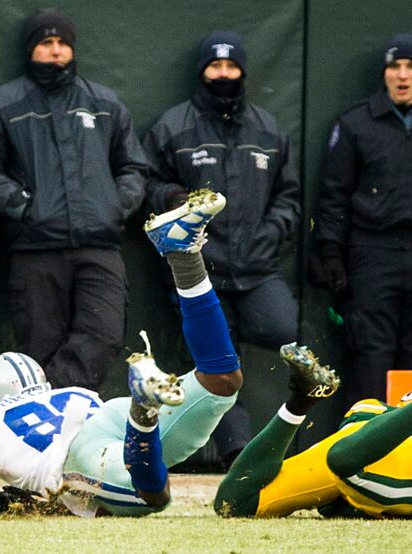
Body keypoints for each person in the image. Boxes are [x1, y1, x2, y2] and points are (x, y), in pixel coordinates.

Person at [0, 190, 242, 516]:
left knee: (152, 495)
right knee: (221, 379)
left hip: (84, 455)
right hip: (108, 419)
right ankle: (184, 255)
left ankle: (143, 412)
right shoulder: (65, 394)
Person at [144, 31, 300, 468]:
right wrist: (174, 199)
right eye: (215, 67)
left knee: (281, 326)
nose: (224, 74)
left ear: (243, 72)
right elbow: (147, 182)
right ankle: (237, 452)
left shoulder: (268, 129)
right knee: (220, 357)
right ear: (202, 72)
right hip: (199, 266)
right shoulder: (173, 126)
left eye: (232, 67)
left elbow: (289, 196)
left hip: (257, 265)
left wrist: (273, 231)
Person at [0, 8, 148, 391]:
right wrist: (25, 209)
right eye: (46, 43)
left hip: (99, 246)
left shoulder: (105, 103)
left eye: (62, 43)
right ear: (31, 50)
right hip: (36, 250)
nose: (55, 52)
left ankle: (54, 399)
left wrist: (114, 205)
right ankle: (50, 432)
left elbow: (133, 166)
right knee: (39, 348)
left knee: (103, 334)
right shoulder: (4, 104)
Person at [310, 33, 412, 402]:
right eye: (394, 67)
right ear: (384, 75)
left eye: (411, 67)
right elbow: (334, 195)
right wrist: (331, 253)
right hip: (372, 252)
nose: (402, 76)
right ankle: (368, 444)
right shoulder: (355, 125)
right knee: (371, 348)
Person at [214, 343, 412, 518]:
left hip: (359, 444)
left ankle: (298, 404)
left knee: (232, 504)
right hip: (388, 461)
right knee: (343, 460)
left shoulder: (371, 408)